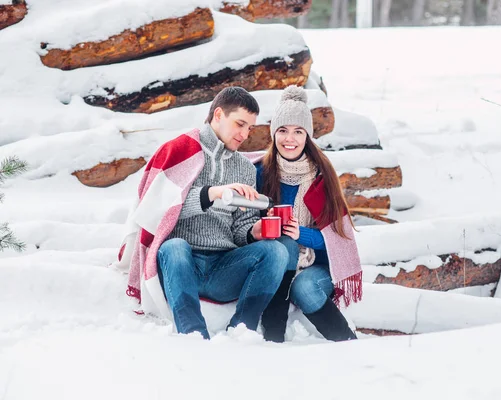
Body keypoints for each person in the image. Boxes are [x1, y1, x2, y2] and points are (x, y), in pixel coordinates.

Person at [114, 87, 299, 340]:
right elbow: (159, 211)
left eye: (250, 128)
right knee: (174, 246)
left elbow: (239, 230)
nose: (244, 134)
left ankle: (242, 329)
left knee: (276, 250)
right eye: (240, 124)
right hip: (181, 263)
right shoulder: (181, 151)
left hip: (224, 268)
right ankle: (193, 334)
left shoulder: (244, 169)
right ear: (219, 114)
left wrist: (253, 232)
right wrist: (212, 193)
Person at [256, 86, 363, 342]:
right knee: (282, 255)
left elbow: (338, 239)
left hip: (318, 265)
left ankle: (348, 344)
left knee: (304, 287)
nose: (289, 139)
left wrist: (300, 234)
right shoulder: (261, 172)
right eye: (282, 130)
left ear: (307, 136)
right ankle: (273, 344)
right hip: (276, 259)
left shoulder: (321, 177)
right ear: (273, 134)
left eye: (298, 131)